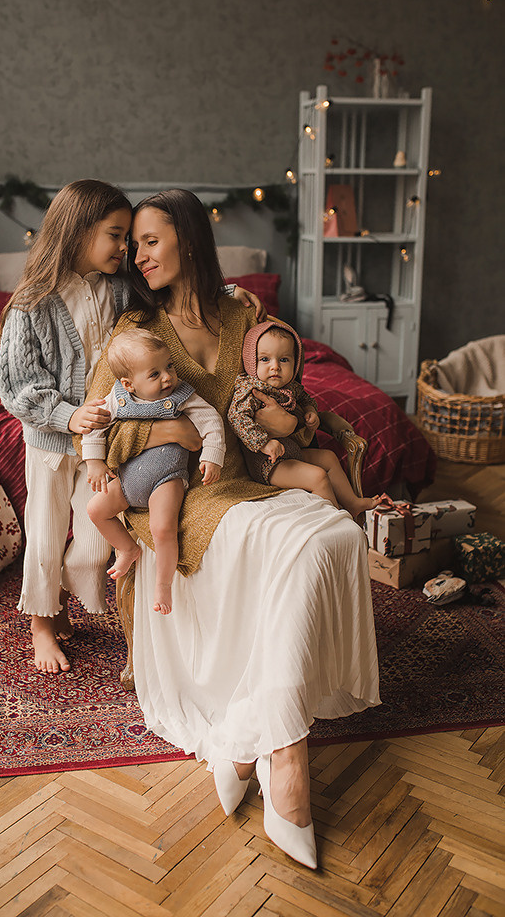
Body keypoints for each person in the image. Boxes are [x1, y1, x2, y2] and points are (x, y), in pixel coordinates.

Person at [78, 189, 380, 870]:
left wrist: (301, 427)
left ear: (186, 240)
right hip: (179, 494)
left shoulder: (240, 311)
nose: (138, 254)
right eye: (134, 245)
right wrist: (178, 431)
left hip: (252, 478)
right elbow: (97, 426)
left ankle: (247, 739)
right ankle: (288, 757)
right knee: (290, 540)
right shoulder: (134, 327)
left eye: (149, 240)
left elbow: (283, 380)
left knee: (332, 535)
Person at [0, 179, 263, 675]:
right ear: (78, 232)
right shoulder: (32, 303)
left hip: (110, 440)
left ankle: (69, 588)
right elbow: (16, 386)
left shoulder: (120, 288)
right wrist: (66, 415)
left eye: (134, 240)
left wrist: (227, 292)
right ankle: (42, 622)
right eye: (118, 236)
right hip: (55, 443)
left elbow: (179, 290)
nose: (127, 250)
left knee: (96, 536)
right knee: (46, 530)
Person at [83, 328, 225, 615]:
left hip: (166, 478)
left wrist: (213, 456)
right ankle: (127, 549)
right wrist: (94, 462)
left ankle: (163, 585)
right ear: (129, 384)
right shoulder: (117, 399)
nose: (168, 377)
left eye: (169, 366)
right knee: (96, 510)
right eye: (154, 374)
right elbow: (95, 427)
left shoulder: (181, 396)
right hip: (126, 482)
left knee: (163, 529)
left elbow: (212, 421)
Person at [229, 319, 380, 520]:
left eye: (284, 360)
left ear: (296, 362)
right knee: (318, 477)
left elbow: (305, 398)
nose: (275, 367)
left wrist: (310, 411)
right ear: (251, 362)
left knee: (328, 457)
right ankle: (337, 522)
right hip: (268, 463)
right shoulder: (251, 391)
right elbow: (236, 417)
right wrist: (264, 443)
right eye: (265, 359)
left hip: (291, 451)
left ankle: (352, 503)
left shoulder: (291, 386)